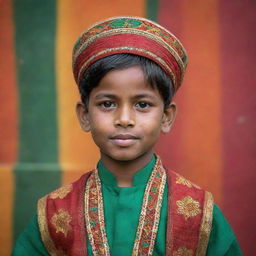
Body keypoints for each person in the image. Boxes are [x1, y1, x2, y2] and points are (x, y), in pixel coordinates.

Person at [12, 16, 242, 256]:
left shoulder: (198, 214)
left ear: (166, 117)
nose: (124, 118)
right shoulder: (54, 214)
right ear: (85, 115)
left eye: (142, 104)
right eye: (107, 104)